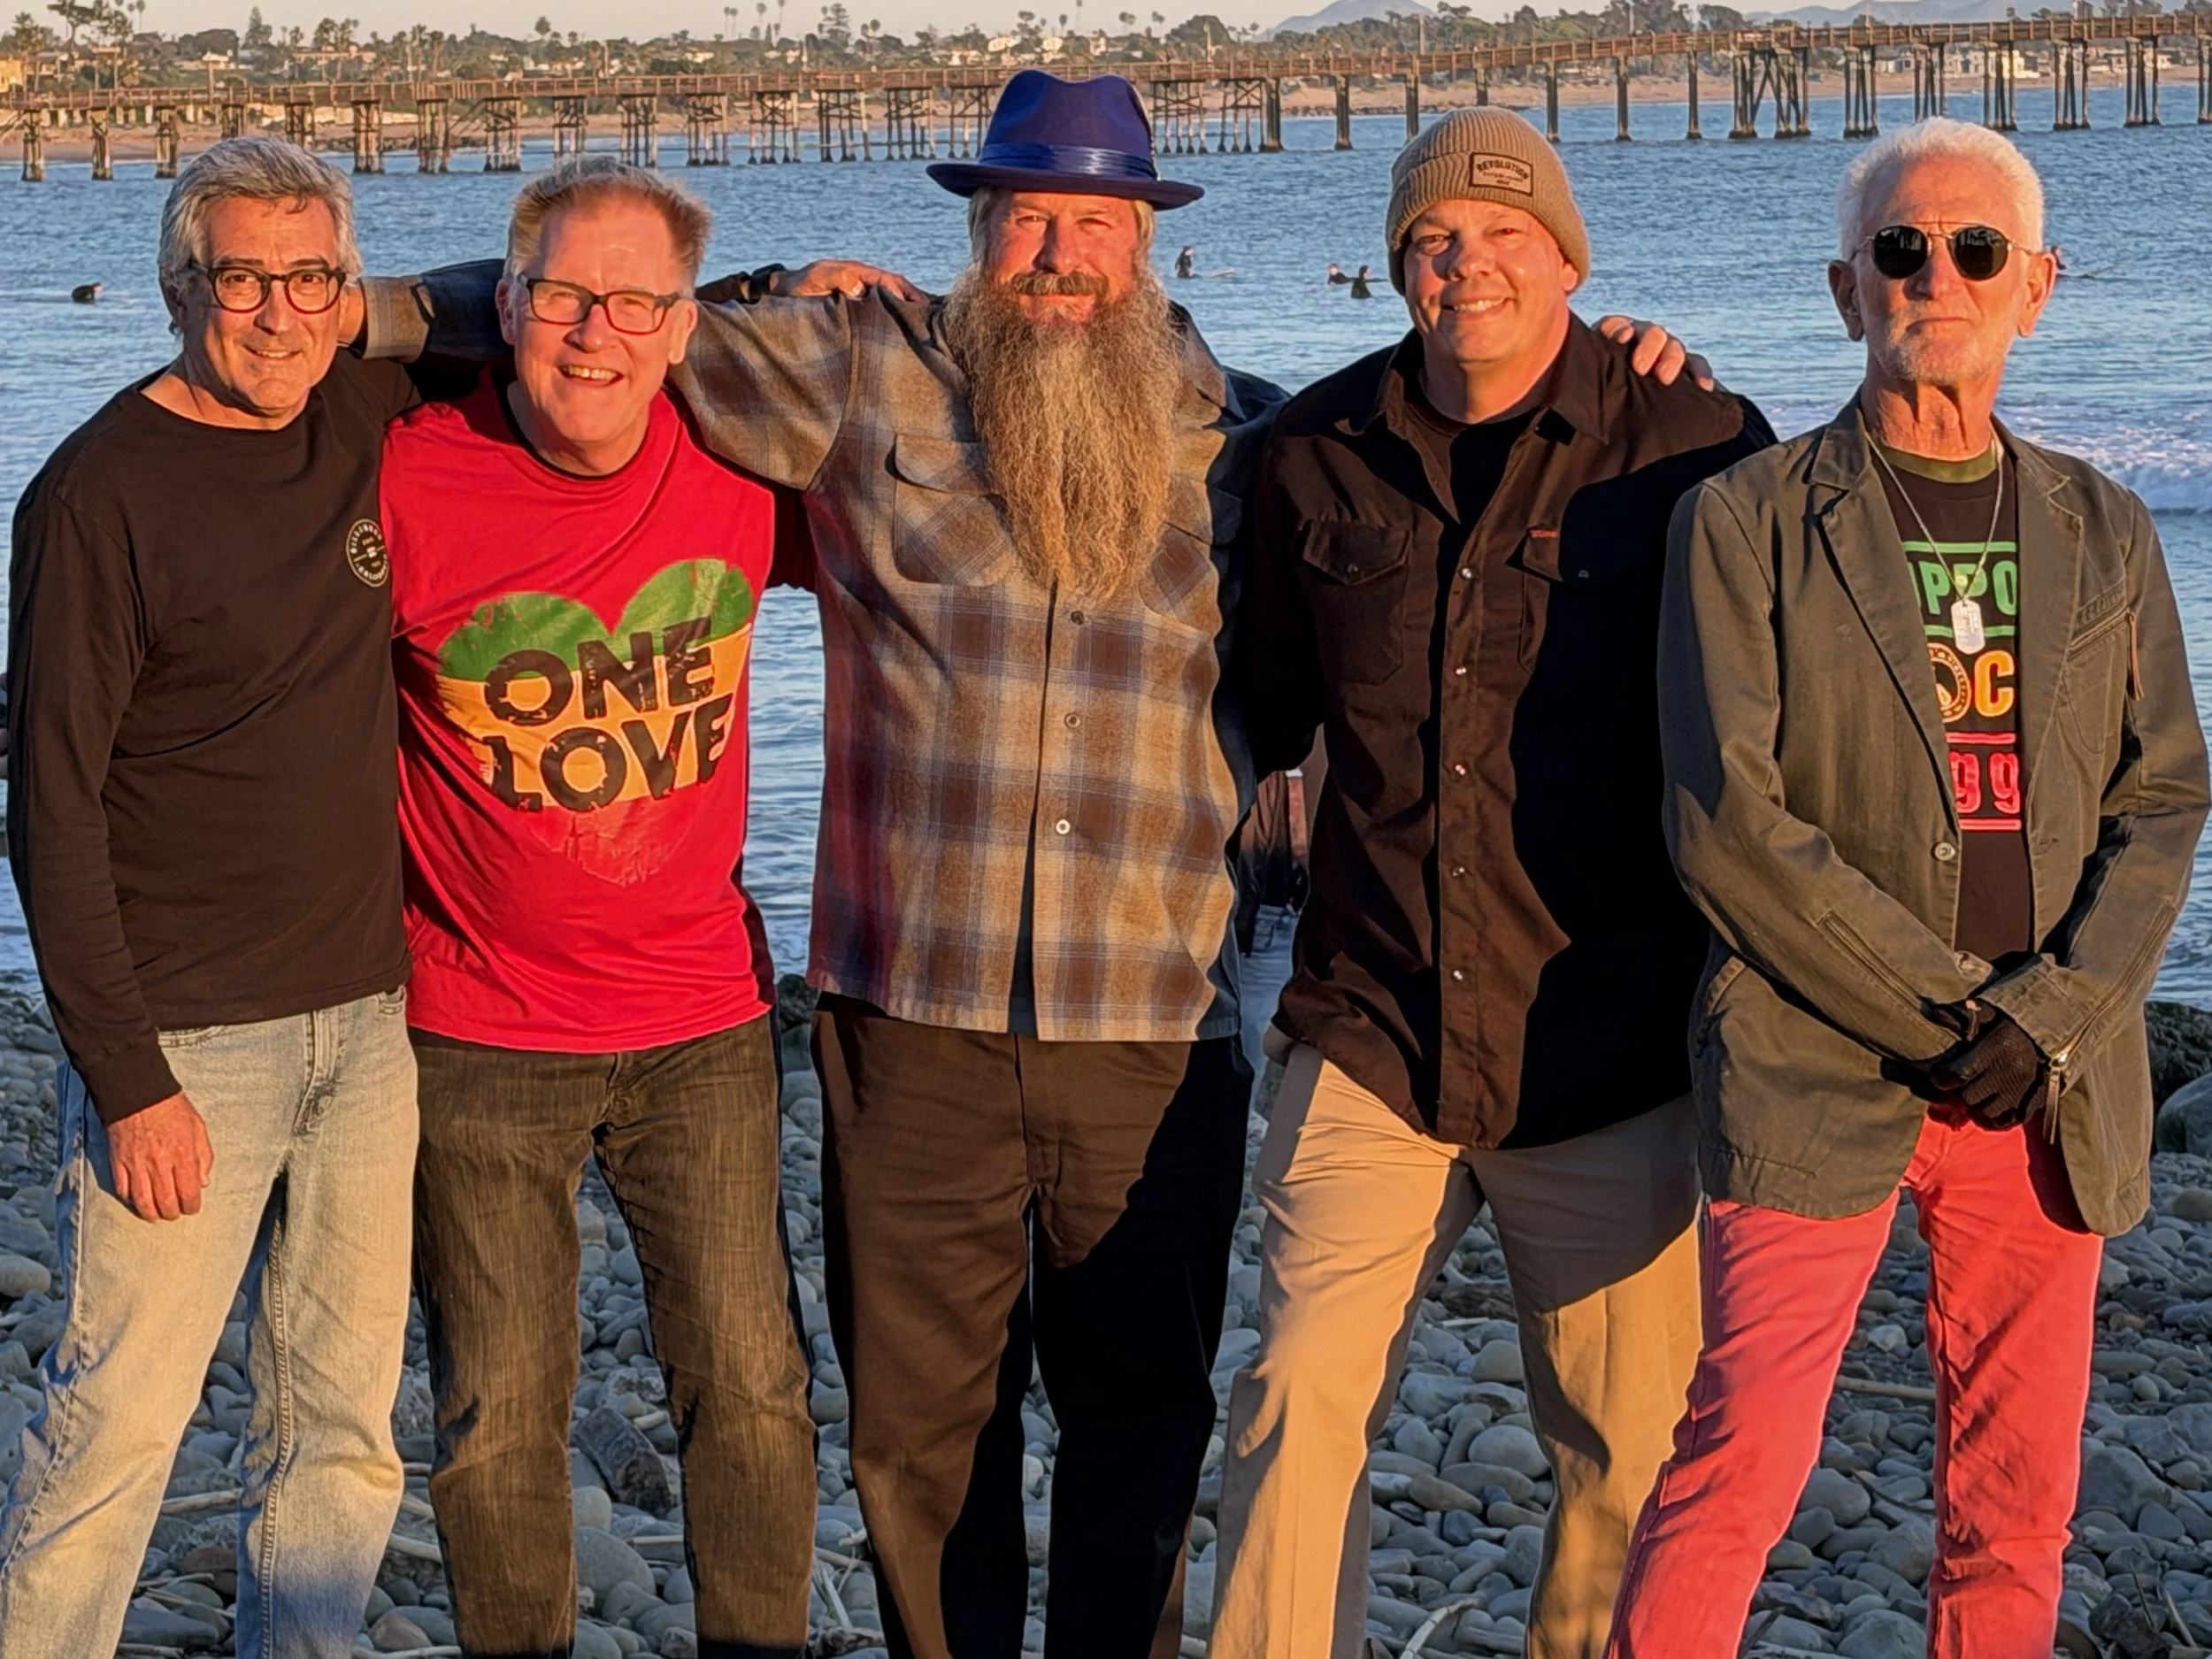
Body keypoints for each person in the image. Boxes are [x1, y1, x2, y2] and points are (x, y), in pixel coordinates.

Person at [366, 70, 1276, 1656]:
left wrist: (1624, 365)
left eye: (1094, 222)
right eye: (1028, 218)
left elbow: (1431, 479)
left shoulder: (1247, 440)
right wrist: (325, 314)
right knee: (921, 1443)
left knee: (1143, 1426)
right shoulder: (857, 376)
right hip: (909, 1019)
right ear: (976, 231)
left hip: (1151, 1019)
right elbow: (598, 320)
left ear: (1145, 244)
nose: (1059, 254)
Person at [1608, 118, 2208, 1655]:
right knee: (1738, 1459)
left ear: (2036, 288)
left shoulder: (2107, 524)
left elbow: (2163, 795)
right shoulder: (1742, 522)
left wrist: (2054, 1017)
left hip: (2047, 1093)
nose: (1935, 275)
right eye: (1901, 250)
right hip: (1817, 1063)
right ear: (1844, 290)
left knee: (2017, 1497)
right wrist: (1955, 1011)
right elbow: (1727, 819)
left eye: (1974, 250)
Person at [1215, 108, 1774, 1659]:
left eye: (1507, 235)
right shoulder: (1311, 453)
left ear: (1570, 260)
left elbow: (1787, 716)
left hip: (1607, 1050)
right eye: (1436, 238)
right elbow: (1260, 707)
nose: (1470, 266)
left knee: (1627, 1456)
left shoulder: (1698, 446)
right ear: (1397, 262)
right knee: (1290, 1404)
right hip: (1369, 1025)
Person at [380, 157, 816, 1659]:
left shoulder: (747, 476)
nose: (594, 333)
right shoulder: (411, 476)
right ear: (505, 305)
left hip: (703, 1026)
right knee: (498, 1416)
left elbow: (951, 497)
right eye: (563, 294)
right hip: (476, 1032)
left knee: (752, 1385)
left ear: (687, 326)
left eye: (636, 302)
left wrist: (852, 292)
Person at [0, 135, 426, 1656]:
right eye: (245, 278)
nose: (281, 314)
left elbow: (532, 308)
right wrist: (128, 1080)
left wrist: (787, 287)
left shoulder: (357, 406)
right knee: (115, 1432)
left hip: (370, 1033)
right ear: (184, 287)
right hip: (189, 1051)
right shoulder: (92, 500)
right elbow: (46, 809)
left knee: (339, 1431)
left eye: (314, 278)